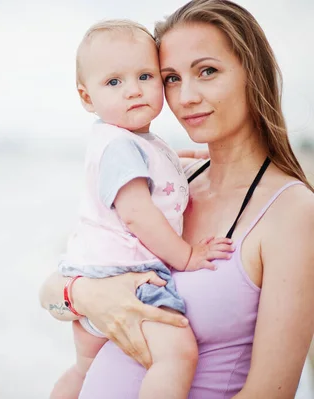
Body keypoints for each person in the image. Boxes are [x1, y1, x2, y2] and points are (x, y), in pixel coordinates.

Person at [40, 0, 314, 398]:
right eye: (170, 78)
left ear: (253, 74)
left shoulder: (292, 212)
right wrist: (88, 295)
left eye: (207, 71)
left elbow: (269, 393)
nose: (185, 96)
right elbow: (51, 290)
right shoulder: (171, 184)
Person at [50, 19, 234, 399]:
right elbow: (136, 213)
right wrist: (185, 256)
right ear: (87, 98)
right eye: (114, 82)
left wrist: (196, 159)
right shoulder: (121, 147)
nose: (133, 91)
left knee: (84, 370)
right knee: (178, 355)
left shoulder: (129, 141)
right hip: (127, 276)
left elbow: (158, 175)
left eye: (146, 76)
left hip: (92, 272)